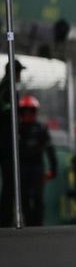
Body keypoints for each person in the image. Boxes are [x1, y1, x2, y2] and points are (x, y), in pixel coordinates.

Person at [17, 96, 56, 226]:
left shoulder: (41, 128)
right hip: (22, 168)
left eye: (30, 111)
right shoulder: (16, 129)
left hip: (37, 168)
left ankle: (38, 226)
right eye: (25, 111)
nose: (27, 114)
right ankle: (28, 225)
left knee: (38, 197)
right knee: (24, 198)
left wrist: (53, 169)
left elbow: (50, 150)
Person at [0, 59, 24, 227]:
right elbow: (8, 115)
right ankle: (5, 219)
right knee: (10, 182)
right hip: (6, 142)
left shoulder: (3, 87)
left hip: (5, 140)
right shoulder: (8, 89)